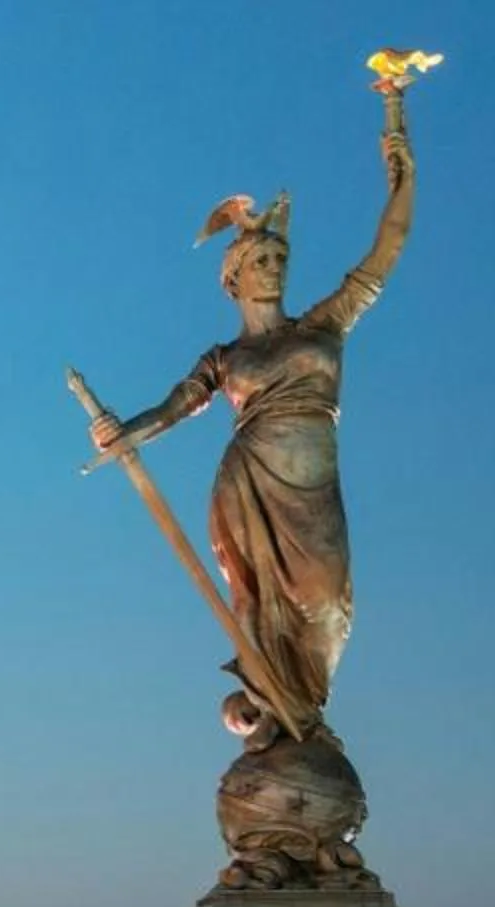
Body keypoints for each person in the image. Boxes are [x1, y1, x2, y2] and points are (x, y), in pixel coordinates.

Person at [87, 96, 416, 748]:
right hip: (249, 485)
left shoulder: (324, 324)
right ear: (233, 278)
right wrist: (122, 433)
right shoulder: (225, 357)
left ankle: (302, 713)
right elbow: (174, 408)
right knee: (258, 609)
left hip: (313, 482)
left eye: (279, 260)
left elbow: (389, 247)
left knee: (327, 604)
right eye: (260, 261)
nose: (273, 268)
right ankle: (277, 721)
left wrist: (401, 166)